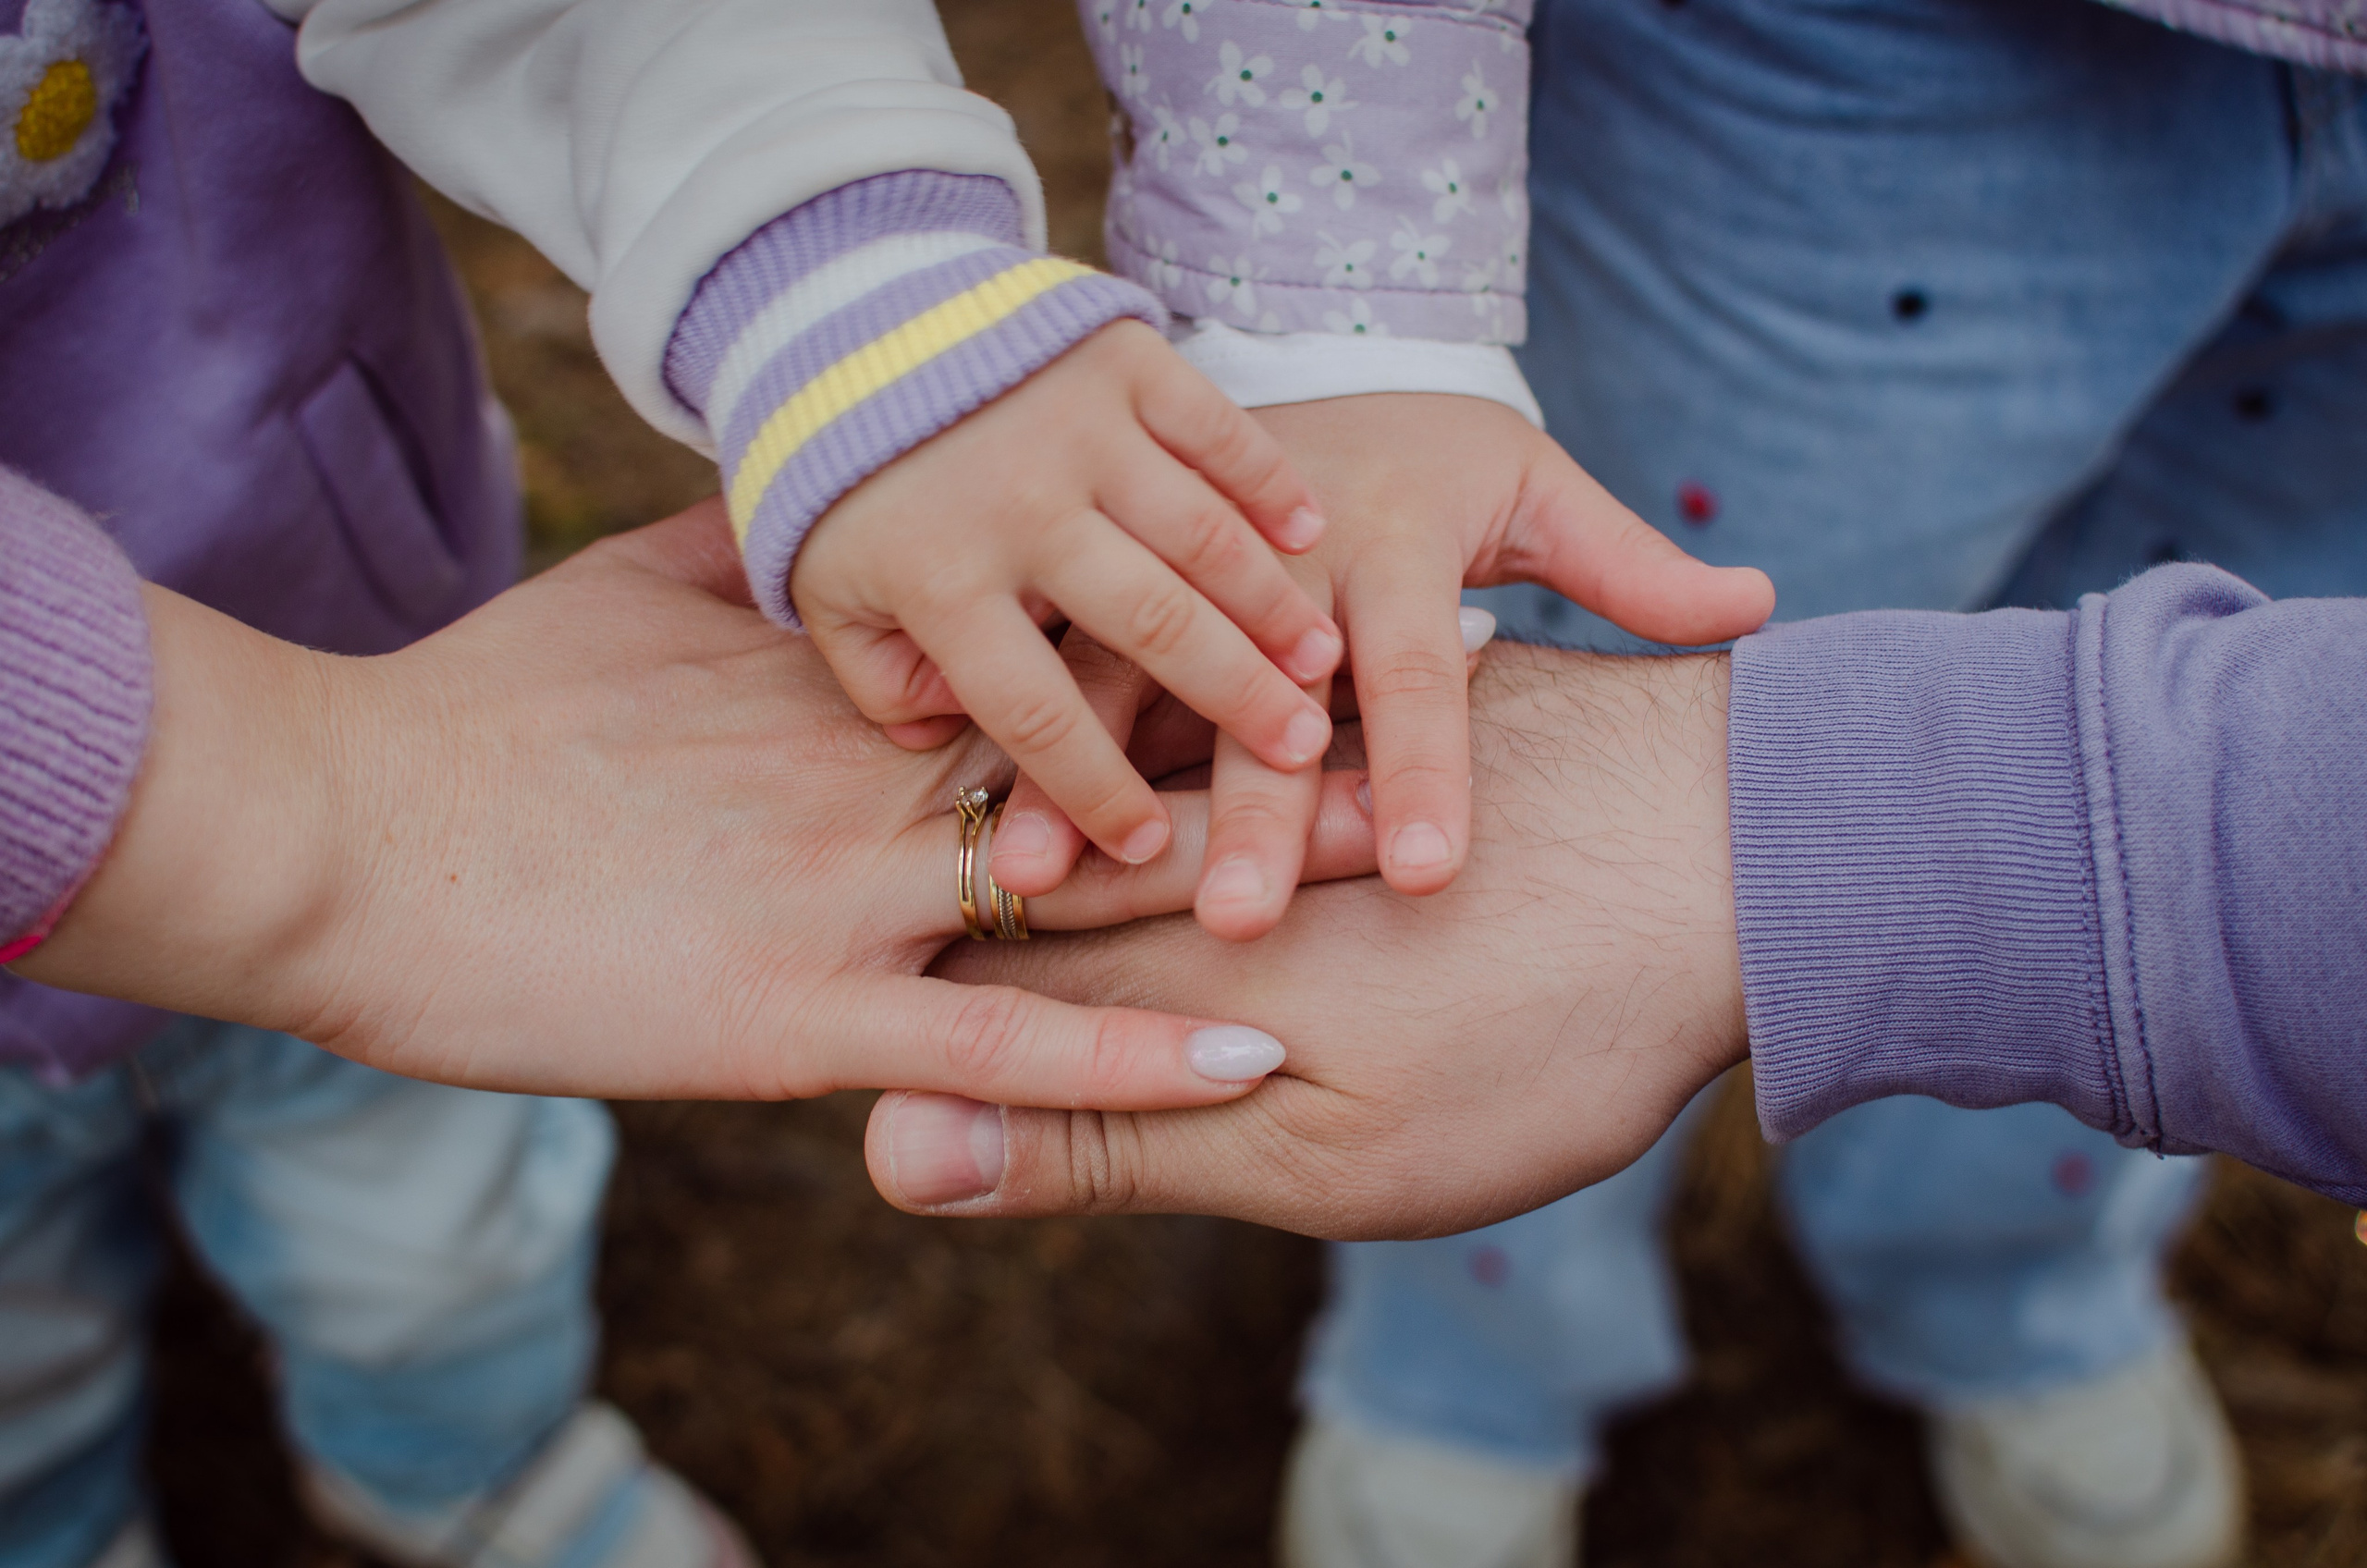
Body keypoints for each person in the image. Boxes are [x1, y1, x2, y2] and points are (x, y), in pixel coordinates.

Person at [0, 0, 1539, 1557]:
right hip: (378, 830)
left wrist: (835, 258)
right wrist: (330, 827)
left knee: (436, 1243)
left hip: (377, 664)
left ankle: (467, 1466)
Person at [1051, 0, 2367, 1563]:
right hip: (1856, 73)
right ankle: (1477, 1349)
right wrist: (1324, 313)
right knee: (1522, 760)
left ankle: (2008, 1280)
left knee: (2241, 715)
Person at [881, 559, 2367, 1549]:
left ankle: (2014, 1290)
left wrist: (1736, 819)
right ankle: (1476, 1356)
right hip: (1764, 219)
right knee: (1554, 727)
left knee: (2241, 598)